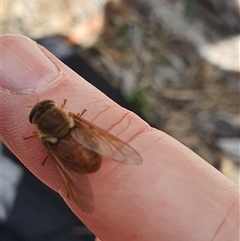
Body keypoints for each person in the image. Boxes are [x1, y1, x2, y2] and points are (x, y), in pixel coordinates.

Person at [0, 35, 239, 241]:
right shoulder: (70, 116)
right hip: (82, 149)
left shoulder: (41, 134)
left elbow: (48, 151)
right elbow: (89, 129)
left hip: (69, 156)